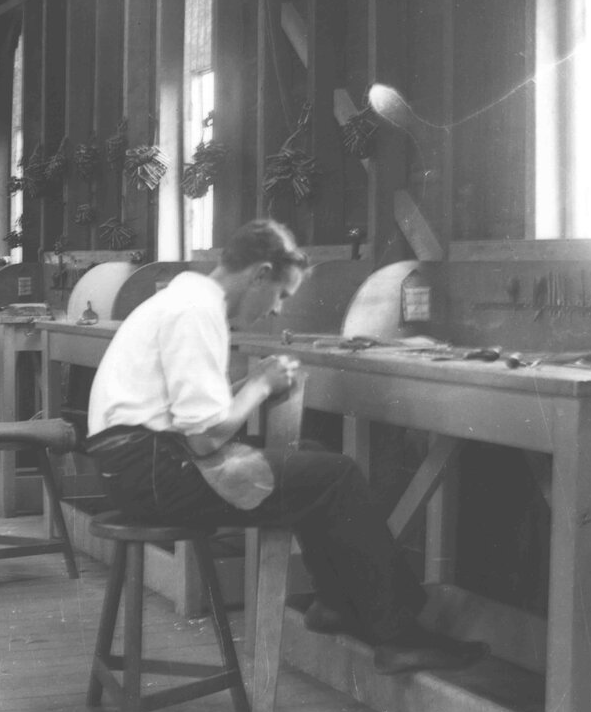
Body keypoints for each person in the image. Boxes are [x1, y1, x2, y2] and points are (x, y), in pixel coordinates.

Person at [85, 219, 488, 674]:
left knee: (312, 455)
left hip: (140, 467)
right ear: (259, 274)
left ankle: (335, 603)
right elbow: (204, 438)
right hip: (154, 473)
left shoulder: (186, 300)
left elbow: (190, 417)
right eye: (279, 295)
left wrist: (247, 385)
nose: (276, 310)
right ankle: (398, 635)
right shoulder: (196, 311)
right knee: (337, 475)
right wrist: (258, 385)